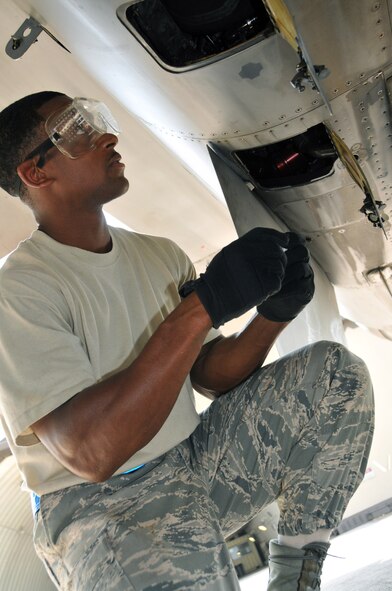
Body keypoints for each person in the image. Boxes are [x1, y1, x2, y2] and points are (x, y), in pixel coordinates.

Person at [0, 91, 374, 591]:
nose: (108, 137)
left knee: (333, 375)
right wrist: (201, 307)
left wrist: (273, 315)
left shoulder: (158, 255)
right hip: (100, 509)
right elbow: (91, 454)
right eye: (78, 131)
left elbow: (207, 376)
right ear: (35, 173)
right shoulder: (19, 290)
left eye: (99, 123)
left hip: (194, 463)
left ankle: (297, 577)